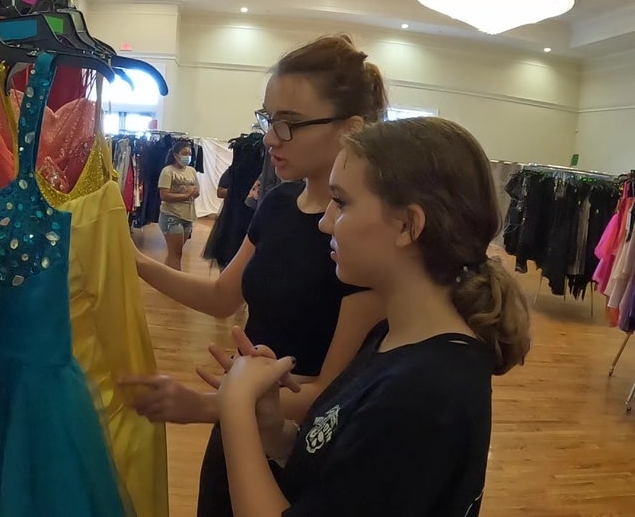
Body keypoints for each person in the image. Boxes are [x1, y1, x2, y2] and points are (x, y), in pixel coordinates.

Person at [210, 117, 532, 515]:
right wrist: (275, 432)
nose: (326, 220)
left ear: (408, 225)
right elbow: (353, 477)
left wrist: (237, 407)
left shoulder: (427, 392)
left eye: (342, 202)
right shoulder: (392, 339)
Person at [125, 34, 388, 516]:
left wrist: (209, 405)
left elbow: (328, 396)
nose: (270, 138)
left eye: (288, 124)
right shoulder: (278, 203)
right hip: (239, 417)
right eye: (268, 120)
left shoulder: (360, 238)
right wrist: (136, 264)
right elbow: (224, 296)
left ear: (351, 130)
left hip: (292, 441)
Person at [158, 140, 200, 270]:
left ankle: (164, 278)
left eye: (190, 153)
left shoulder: (192, 171)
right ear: (176, 155)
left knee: (174, 252)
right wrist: (186, 195)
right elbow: (164, 195)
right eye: (184, 153)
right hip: (171, 216)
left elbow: (197, 191)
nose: (188, 156)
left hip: (188, 217)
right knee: (177, 254)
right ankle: (175, 285)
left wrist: (193, 192)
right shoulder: (167, 171)